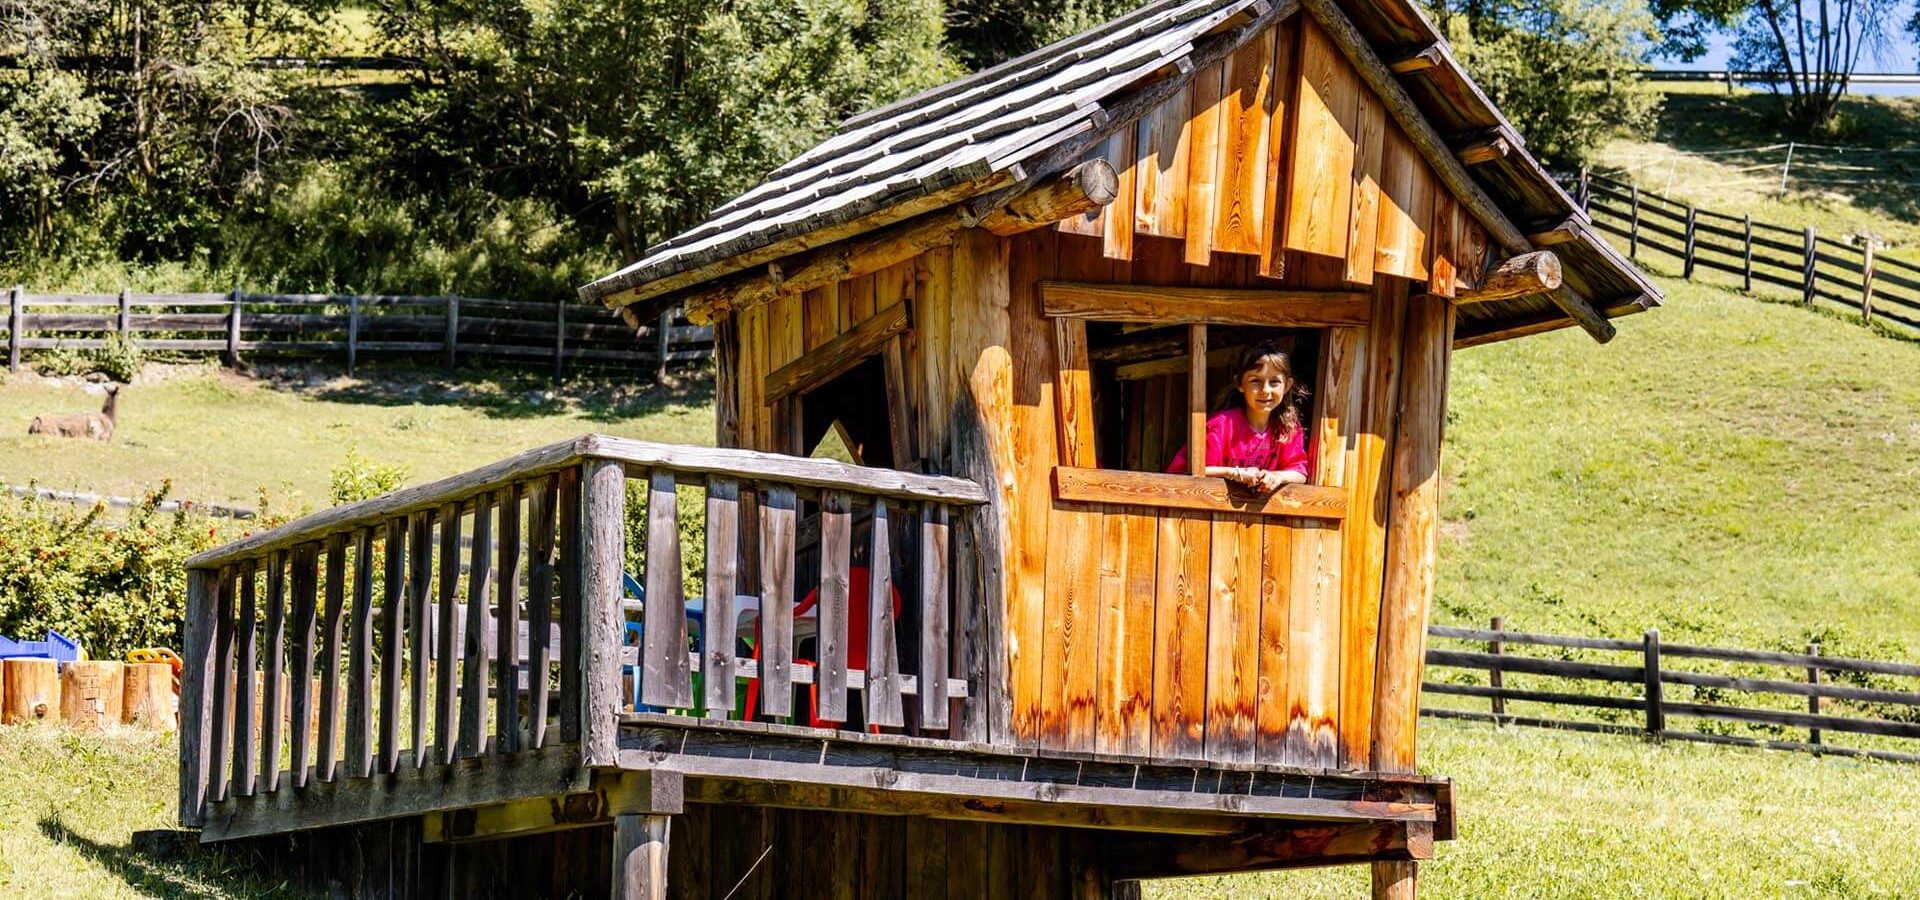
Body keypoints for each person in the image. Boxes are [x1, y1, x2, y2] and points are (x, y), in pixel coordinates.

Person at [1165, 341, 1312, 492]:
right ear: (1240, 383)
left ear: (1287, 385)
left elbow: (1300, 473)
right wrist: (1234, 473)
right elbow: (1194, 472)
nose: (1265, 390)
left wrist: (1277, 477)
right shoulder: (1220, 426)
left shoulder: (1288, 430)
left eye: (1274, 381)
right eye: (1255, 381)